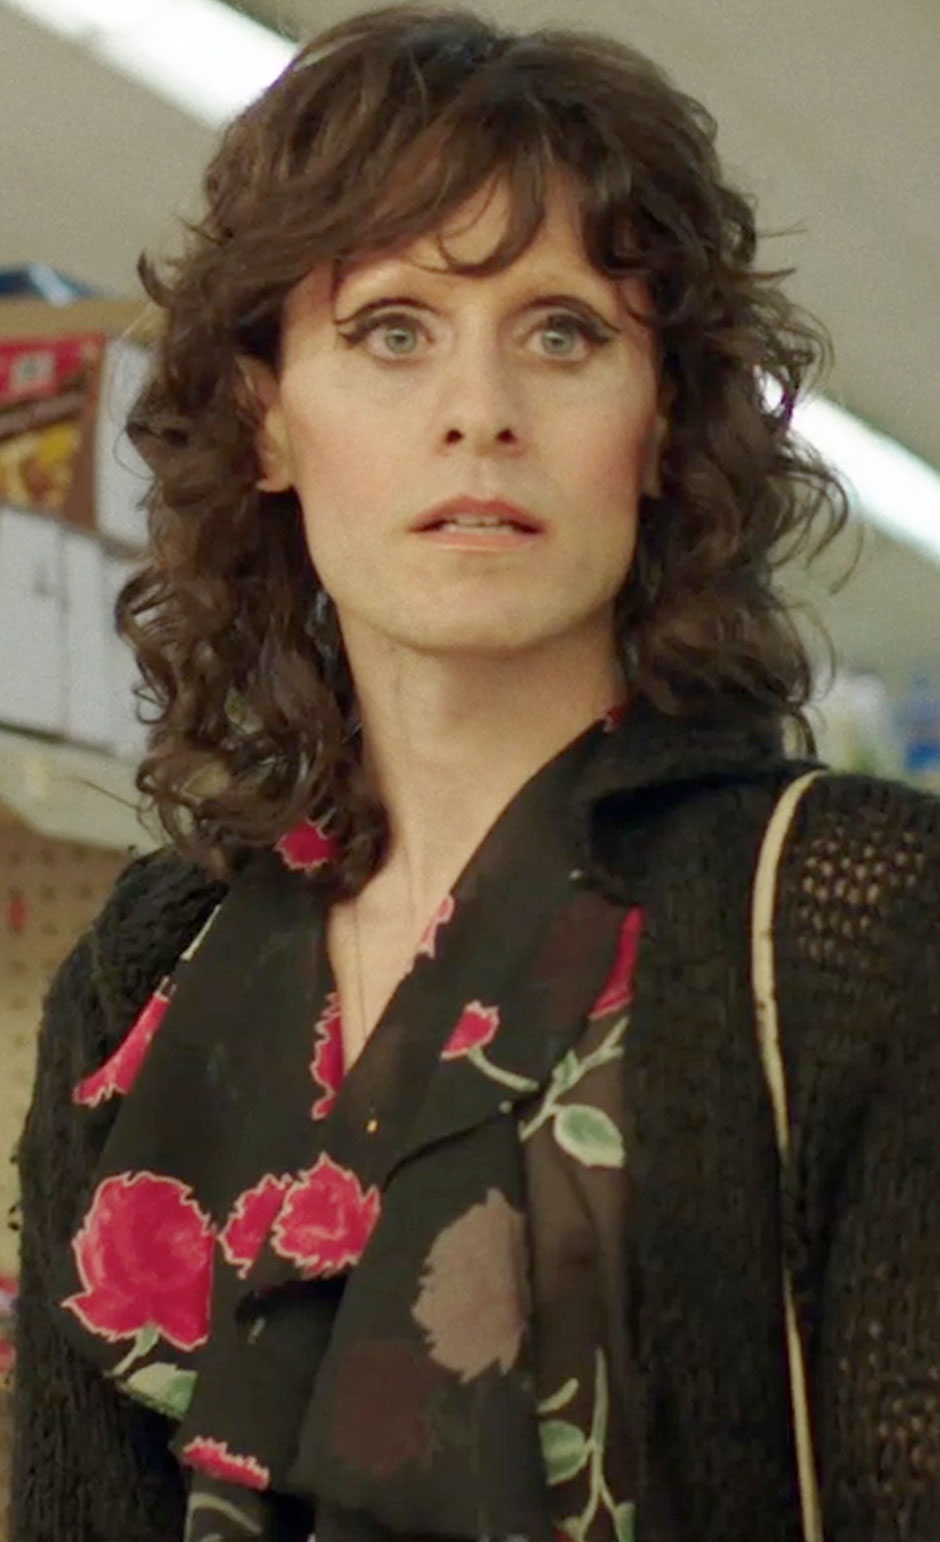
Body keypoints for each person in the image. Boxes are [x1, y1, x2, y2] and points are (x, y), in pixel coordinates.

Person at [11, 4, 940, 1540]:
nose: (481, 411)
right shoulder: (146, 973)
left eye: (563, 331)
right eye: (393, 330)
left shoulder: (858, 920)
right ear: (265, 420)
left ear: (660, 425)